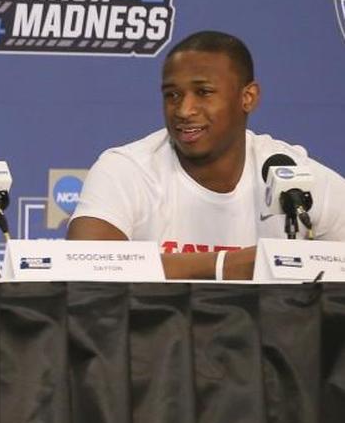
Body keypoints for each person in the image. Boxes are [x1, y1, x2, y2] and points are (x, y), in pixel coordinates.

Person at [67, 30, 345, 279]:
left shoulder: (293, 176)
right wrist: (225, 265)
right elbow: (86, 264)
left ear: (247, 97)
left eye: (203, 92)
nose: (184, 110)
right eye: (172, 95)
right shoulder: (127, 169)